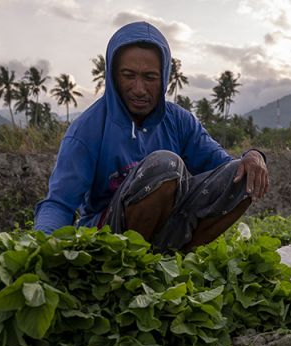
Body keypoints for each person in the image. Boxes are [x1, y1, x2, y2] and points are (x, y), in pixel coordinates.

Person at [34, 21, 269, 252]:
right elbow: (60, 202)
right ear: (114, 76)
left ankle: (175, 256)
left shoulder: (179, 121)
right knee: (165, 164)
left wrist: (253, 156)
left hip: (169, 227)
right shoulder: (87, 129)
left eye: (149, 77)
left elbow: (224, 166)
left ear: (164, 77)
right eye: (128, 75)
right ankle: (133, 263)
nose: (138, 88)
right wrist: (42, 248)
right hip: (107, 238)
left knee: (242, 176)